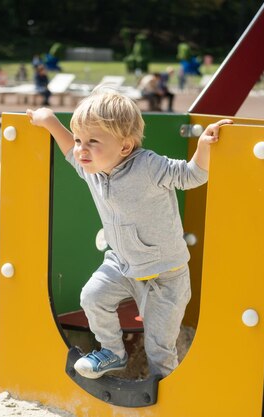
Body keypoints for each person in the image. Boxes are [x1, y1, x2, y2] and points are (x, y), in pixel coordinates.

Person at [26, 89, 233, 379]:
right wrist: (48, 121)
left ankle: (165, 390)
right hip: (122, 264)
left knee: (159, 346)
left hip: (165, 274)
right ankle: (112, 352)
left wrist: (204, 146)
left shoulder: (149, 166)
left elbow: (191, 176)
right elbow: (67, 151)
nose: (81, 150)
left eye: (92, 141)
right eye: (79, 140)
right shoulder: (93, 168)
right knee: (92, 296)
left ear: (125, 146)